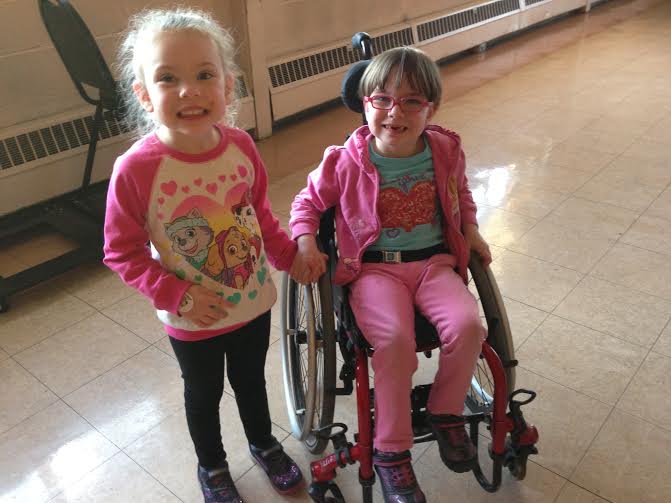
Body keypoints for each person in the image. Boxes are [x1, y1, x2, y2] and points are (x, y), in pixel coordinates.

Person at [105, 8, 322, 503]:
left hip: (251, 303)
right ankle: (213, 467)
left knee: (251, 384)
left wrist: (291, 257)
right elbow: (122, 251)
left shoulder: (242, 147)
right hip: (192, 318)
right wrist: (175, 294)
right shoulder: (136, 170)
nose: (189, 91)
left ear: (228, 86)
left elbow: (260, 219)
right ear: (144, 94)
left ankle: (264, 444)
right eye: (167, 78)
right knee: (201, 396)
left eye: (205, 74)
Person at [290, 46, 491, 502]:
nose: (394, 112)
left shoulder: (444, 149)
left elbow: (461, 193)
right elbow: (306, 204)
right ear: (365, 104)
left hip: (435, 264)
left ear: (431, 109)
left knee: (468, 325)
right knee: (395, 342)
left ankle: (445, 413)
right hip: (375, 270)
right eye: (381, 99)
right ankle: (390, 449)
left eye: (411, 102)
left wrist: (471, 230)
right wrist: (305, 241)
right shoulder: (345, 160)